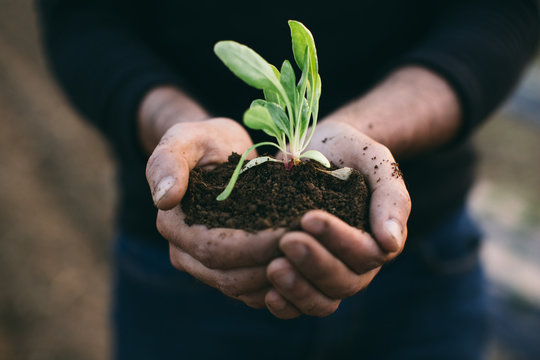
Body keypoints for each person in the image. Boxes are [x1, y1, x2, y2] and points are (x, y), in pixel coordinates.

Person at [37, 0, 539, 359]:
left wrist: (364, 132)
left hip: (423, 275)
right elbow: (82, 17)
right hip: (182, 284)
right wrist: (172, 123)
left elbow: (504, 12)